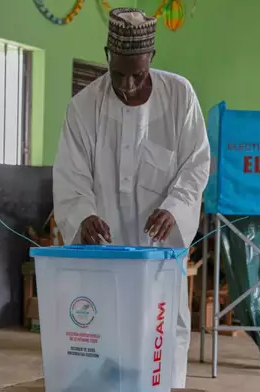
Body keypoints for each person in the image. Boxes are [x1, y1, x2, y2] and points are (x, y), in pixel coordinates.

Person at [52, 7, 210, 388]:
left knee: (161, 334)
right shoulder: (84, 107)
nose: (125, 84)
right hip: (105, 255)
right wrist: (84, 215)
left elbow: (196, 164)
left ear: (151, 59)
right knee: (103, 338)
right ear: (108, 53)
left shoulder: (179, 97)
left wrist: (174, 209)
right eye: (117, 72)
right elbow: (70, 175)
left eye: (136, 74)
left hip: (158, 253)